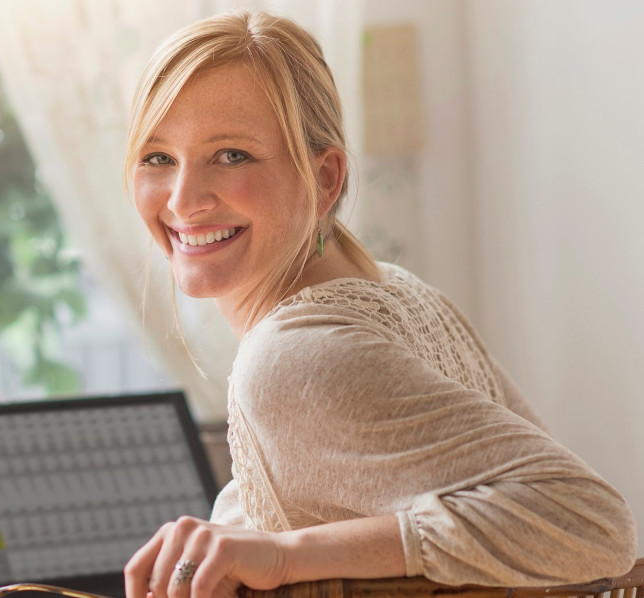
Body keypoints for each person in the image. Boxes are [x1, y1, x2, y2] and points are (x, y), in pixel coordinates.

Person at [121, 11, 636, 598]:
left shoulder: (292, 360)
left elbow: (590, 522)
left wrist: (286, 556)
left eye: (232, 154)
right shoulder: (397, 289)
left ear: (324, 179)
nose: (183, 200)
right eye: (157, 157)